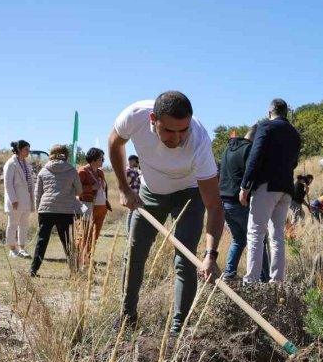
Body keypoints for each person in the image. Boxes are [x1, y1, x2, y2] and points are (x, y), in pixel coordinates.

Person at [108, 91, 224, 335]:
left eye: (183, 130)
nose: (178, 138)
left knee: (184, 260)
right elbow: (115, 142)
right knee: (134, 253)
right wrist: (124, 188)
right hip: (150, 194)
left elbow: (214, 205)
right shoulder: (134, 116)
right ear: (153, 119)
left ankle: (177, 330)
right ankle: (127, 318)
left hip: (189, 194)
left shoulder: (199, 142)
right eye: (170, 131)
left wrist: (211, 255)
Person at [239, 98, 301, 283]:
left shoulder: (265, 127)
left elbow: (255, 155)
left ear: (269, 112)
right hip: (286, 188)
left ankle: (251, 281)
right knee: (277, 236)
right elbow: (295, 162)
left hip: (266, 186)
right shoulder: (295, 133)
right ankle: (277, 281)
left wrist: (245, 185)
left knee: (256, 232)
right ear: (286, 113)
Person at [218, 125, 269, 282]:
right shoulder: (249, 150)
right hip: (239, 202)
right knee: (259, 238)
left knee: (239, 239)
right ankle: (264, 278)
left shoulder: (228, 149)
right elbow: (251, 174)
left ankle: (229, 273)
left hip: (223, 202)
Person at [30, 144, 83, 277]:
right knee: (67, 241)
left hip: (46, 209)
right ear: (66, 155)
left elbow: (38, 194)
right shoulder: (71, 170)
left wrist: (39, 209)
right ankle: (75, 271)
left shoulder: (43, 170)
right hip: (65, 210)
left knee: (42, 240)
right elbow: (80, 190)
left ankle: (33, 270)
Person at [76, 147, 113, 267]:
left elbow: (103, 189)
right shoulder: (82, 171)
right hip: (86, 206)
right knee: (85, 233)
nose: (103, 161)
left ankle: (89, 257)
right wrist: (91, 188)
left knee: (95, 235)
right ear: (95, 159)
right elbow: (75, 190)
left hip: (101, 207)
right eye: (102, 158)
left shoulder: (100, 172)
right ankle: (80, 258)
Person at [3, 139, 35, 258]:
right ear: (19, 150)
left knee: (24, 224)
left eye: (28, 149)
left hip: (26, 200)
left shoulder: (26, 164)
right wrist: (13, 200)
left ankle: (22, 248)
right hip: (15, 201)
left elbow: (30, 182)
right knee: (12, 224)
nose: (28, 151)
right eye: (26, 149)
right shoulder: (11, 163)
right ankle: (12, 249)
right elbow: (8, 183)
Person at [124, 154, 141, 232]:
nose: (137, 163)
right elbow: (126, 183)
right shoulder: (128, 170)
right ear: (132, 160)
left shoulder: (134, 170)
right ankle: (129, 232)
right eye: (136, 161)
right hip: (132, 195)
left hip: (137, 194)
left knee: (133, 212)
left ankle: (131, 231)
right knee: (131, 212)